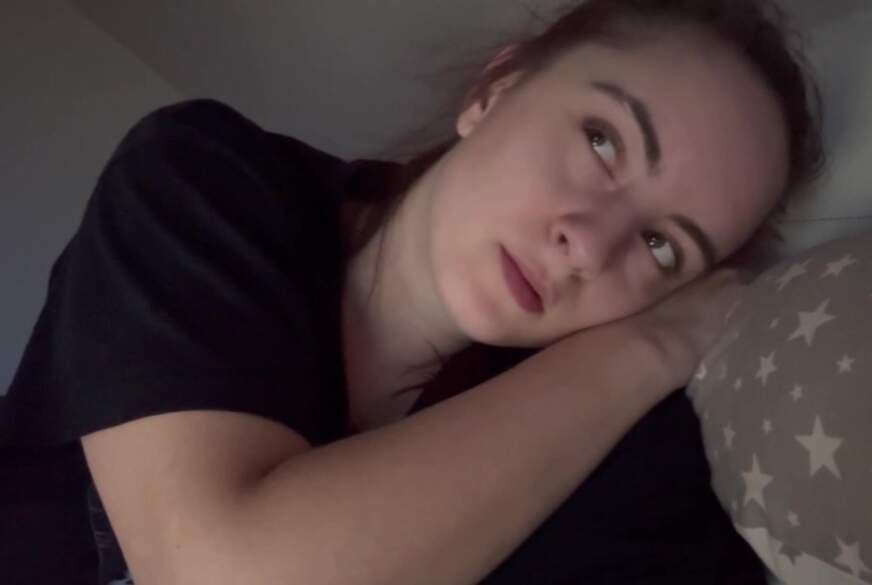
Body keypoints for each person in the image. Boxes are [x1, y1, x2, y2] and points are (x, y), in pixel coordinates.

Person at [0, 0, 824, 583]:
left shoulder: (618, 455)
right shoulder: (207, 183)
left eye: (661, 245)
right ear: (495, 91)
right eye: (603, 141)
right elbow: (220, 569)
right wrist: (653, 345)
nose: (588, 244)